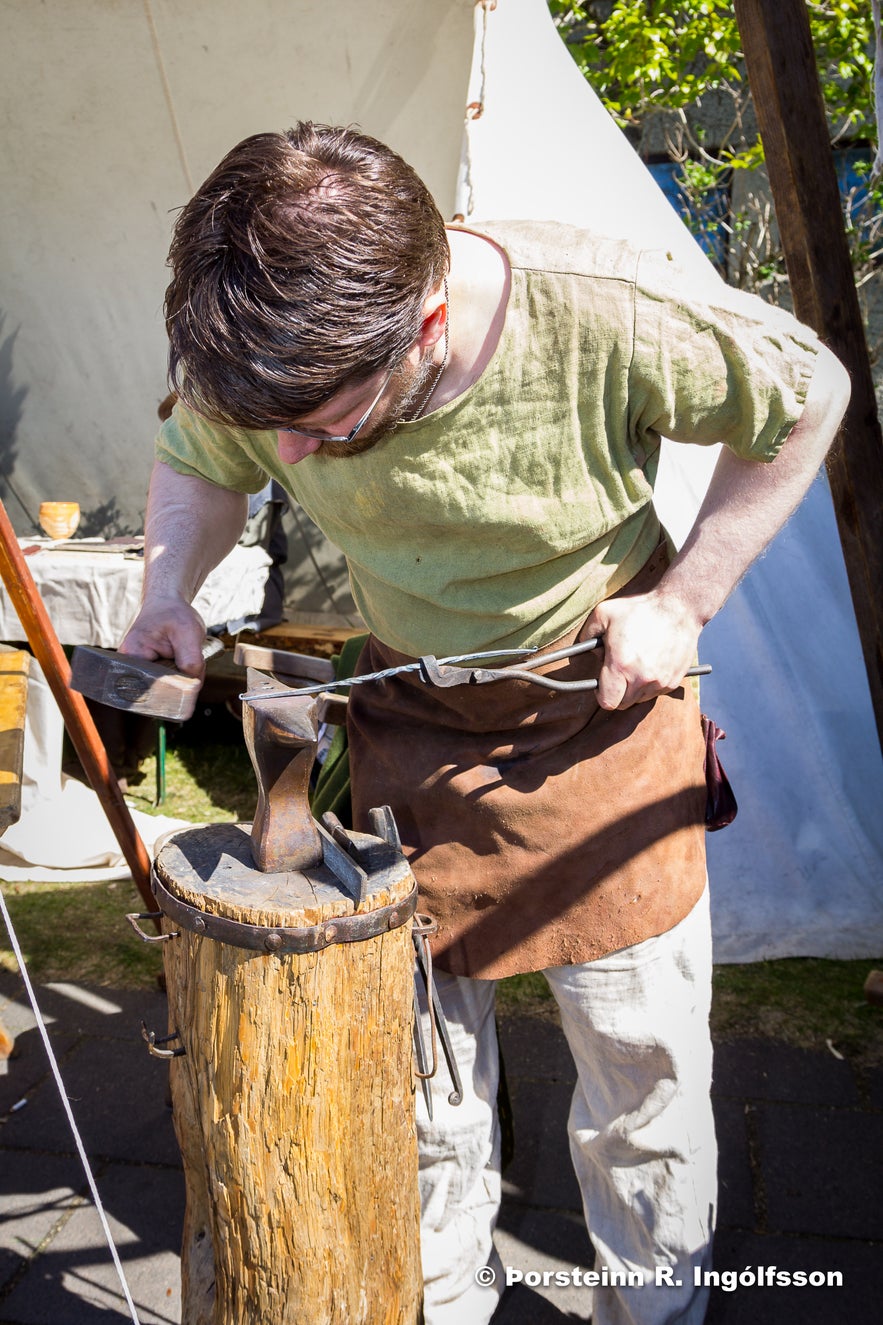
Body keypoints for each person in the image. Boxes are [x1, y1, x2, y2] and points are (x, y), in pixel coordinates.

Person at [121, 123, 850, 1324]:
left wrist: (682, 601)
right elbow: (202, 458)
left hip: (600, 725)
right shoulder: (273, 348)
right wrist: (164, 593)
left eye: (321, 421)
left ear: (425, 325)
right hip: (409, 725)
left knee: (641, 1081)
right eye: (279, 424)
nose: (291, 453)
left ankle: (654, 1310)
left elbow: (807, 391)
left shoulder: (599, 305)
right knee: (420, 1093)